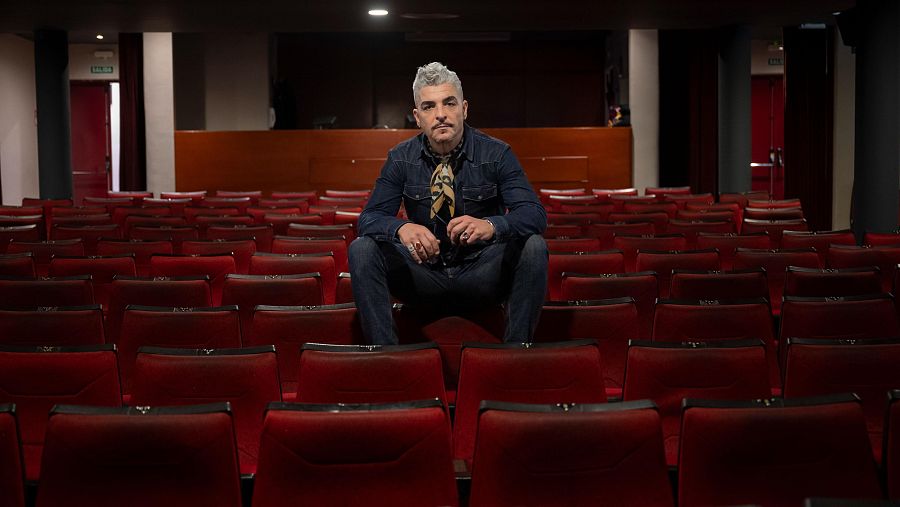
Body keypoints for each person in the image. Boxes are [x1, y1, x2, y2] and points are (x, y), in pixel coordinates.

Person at [349, 62, 548, 345]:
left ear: (464, 109)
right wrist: (401, 228)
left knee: (534, 246)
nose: (440, 114)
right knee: (362, 248)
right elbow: (368, 219)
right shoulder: (400, 158)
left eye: (449, 103)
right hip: (425, 275)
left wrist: (492, 225)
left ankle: (517, 353)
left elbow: (535, 215)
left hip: (482, 274)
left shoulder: (497, 154)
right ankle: (386, 356)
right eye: (429, 107)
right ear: (418, 117)